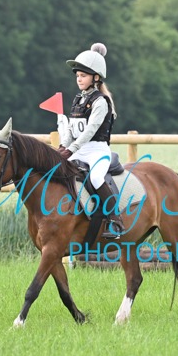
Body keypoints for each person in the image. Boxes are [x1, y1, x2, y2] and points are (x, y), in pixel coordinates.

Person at [57, 43, 124, 239]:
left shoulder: (101, 101)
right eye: (77, 76)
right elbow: (72, 130)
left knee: (96, 178)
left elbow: (90, 130)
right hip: (78, 150)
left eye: (83, 76)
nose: (79, 79)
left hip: (97, 151)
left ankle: (115, 220)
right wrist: (63, 145)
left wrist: (71, 149)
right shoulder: (78, 99)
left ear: (96, 77)